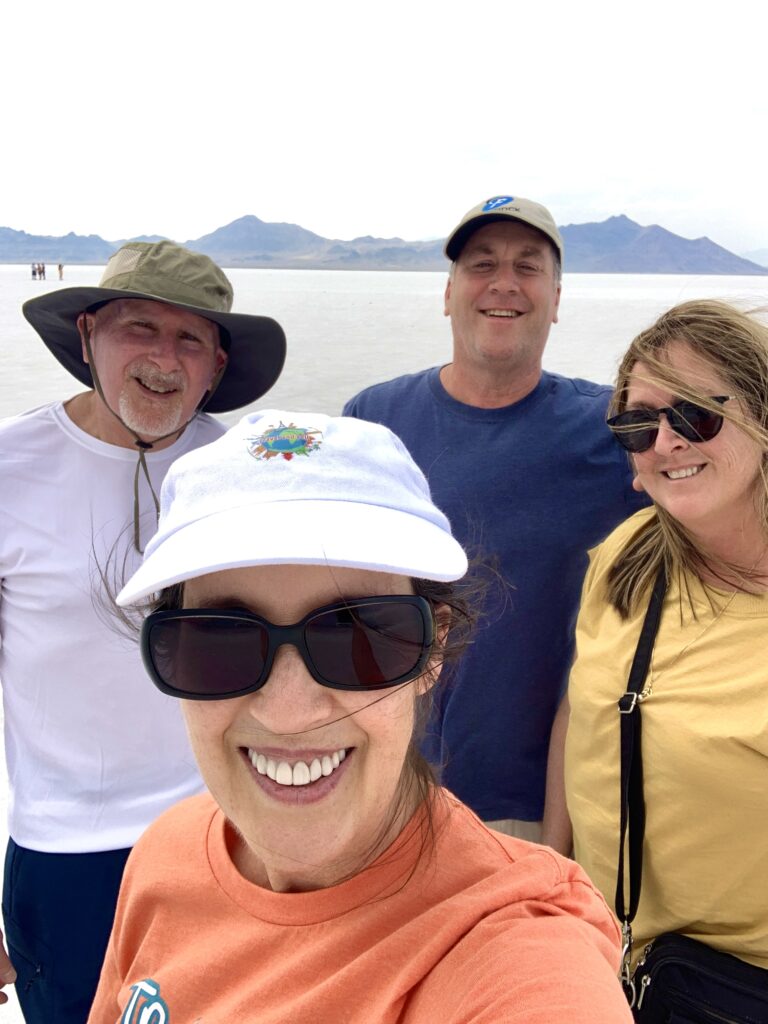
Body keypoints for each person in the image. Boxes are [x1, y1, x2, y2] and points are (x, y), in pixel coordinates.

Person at [87, 409, 632, 1023]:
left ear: (431, 650)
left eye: (358, 636)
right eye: (220, 640)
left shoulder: (513, 943)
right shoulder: (164, 854)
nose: (289, 711)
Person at [0, 240, 286, 1021]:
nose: (165, 357)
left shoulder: (248, 472)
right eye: (139, 327)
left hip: (230, 836)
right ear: (87, 333)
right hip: (64, 855)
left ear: (217, 367)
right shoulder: (9, 468)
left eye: (191, 338)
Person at [343, 194, 646, 838]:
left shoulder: (616, 434)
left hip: (541, 805)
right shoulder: (373, 421)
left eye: (527, 267)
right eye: (482, 264)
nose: (504, 283)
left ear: (557, 299)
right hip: (384, 788)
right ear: (448, 292)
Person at [543, 300, 768, 1011]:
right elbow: (583, 711)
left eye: (695, 414)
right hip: (600, 967)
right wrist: (550, 883)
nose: (665, 441)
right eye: (639, 424)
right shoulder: (627, 556)